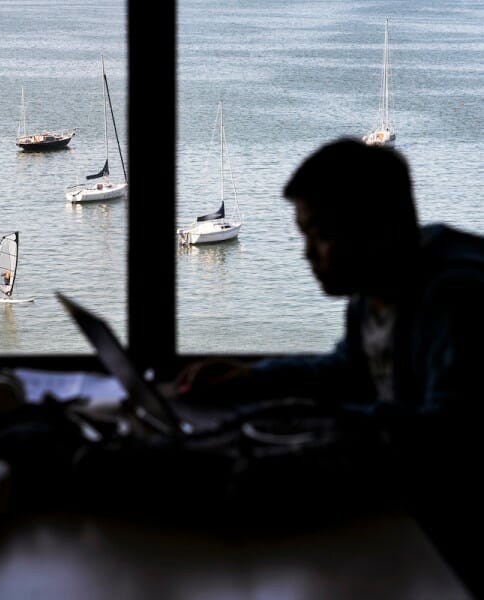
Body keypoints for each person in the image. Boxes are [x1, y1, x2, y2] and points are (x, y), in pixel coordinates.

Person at [176, 137, 484, 593]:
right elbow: (348, 370)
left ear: (379, 229)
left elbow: (448, 435)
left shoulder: (458, 300)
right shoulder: (375, 287)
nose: (307, 254)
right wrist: (253, 378)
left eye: (319, 235)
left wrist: (316, 423)